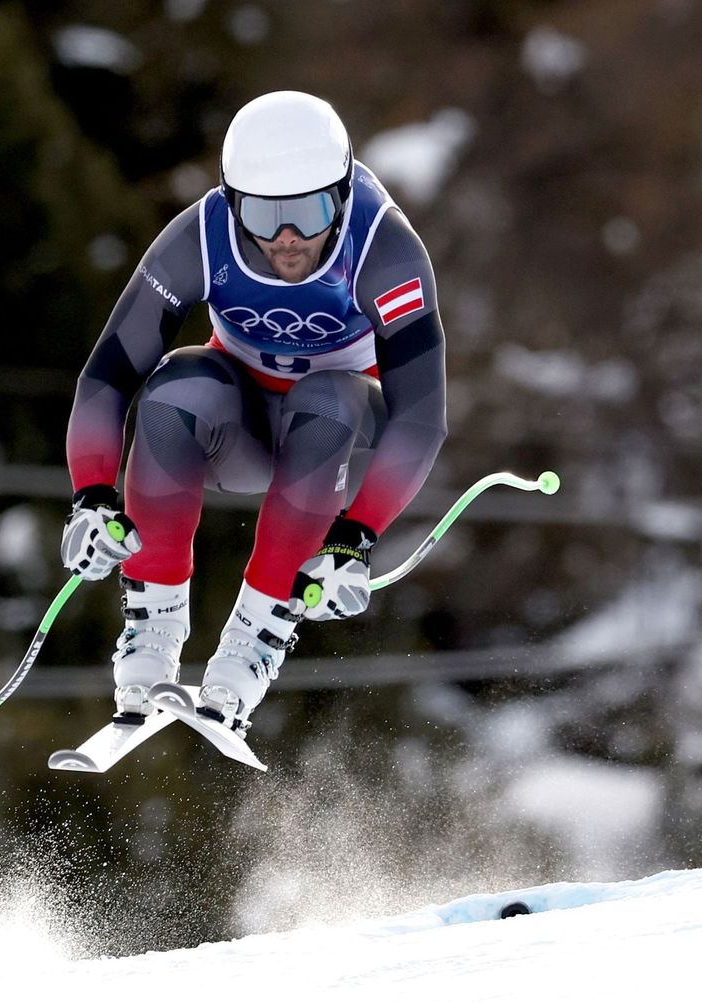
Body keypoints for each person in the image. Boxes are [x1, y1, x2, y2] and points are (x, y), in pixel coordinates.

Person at [60, 90, 447, 738]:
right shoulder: (201, 238)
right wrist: (92, 493)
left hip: (335, 431)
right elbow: (109, 374)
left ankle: (257, 637)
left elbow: (422, 415)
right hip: (236, 428)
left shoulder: (387, 252)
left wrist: (356, 535)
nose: (287, 239)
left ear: (344, 195)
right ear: (233, 201)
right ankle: (151, 629)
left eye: (310, 212)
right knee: (174, 389)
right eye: (264, 218)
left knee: (326, 396)